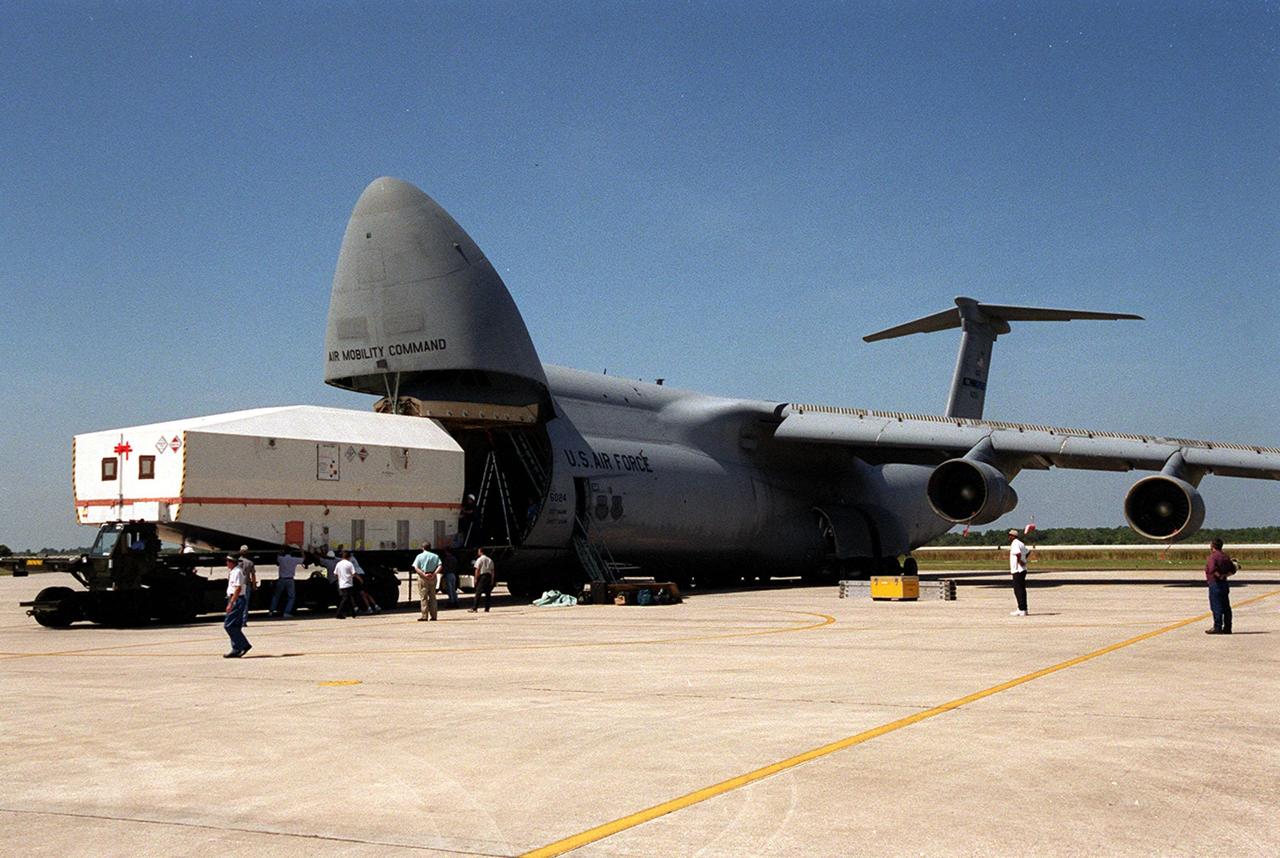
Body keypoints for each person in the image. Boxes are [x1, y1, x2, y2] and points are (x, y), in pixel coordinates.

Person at [1204, 538, 1236, 634]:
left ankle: (1217, 627)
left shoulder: (1213, 557)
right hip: (1224, 584)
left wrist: (1219, 576)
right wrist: (1225, 575)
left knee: (1216, 606)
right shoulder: (1225, 556)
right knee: (1226, 606)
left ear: (1213, 546)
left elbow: (1212, 569)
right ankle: (1228, 627)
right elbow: (1233, 569)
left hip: (1215, 583)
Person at [222, 555, 252, 657]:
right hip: (235, 598)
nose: (227, 563)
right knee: (234, 625)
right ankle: (236, 648)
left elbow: (238, 588)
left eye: (228, 561)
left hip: (236, 599)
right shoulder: (234, 571)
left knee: (229, 625)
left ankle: (243, 645)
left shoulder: (237, 572)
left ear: (233, 562)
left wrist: (231, 603)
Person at [271, 545, 304, 618]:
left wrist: (281, 547)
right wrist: (301, 549)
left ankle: (271, 611)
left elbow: (278, 555)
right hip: (290, 579)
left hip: (281, 579)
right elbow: (303, 559)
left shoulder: (281, 559)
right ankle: (287, 612)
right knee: (291, 597)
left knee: (276, 595)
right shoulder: (294, 559)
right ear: (291, 552)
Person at [413, 542, 441, 621]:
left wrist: (424, 575)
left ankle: (424, 616)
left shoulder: (419, 556)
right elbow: (440, 566)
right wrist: (434, 574)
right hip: (432, 577)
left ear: (422, 548)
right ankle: (434, 616)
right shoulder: (435, 556)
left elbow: (416, 568)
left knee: (424, 597)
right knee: (433, 597)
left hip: (423, 578)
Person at [1007, 529, 1030, 616]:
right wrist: (1024, 559)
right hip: (1022, 569)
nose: (1009, 537)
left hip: (1017, 570)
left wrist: (1020, 561)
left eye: (1010, 535)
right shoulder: (1021, 543)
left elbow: (1018, 553)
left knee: (1018, 590)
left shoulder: (1015, 543)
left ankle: (1021, 609)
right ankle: (1023, 608)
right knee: (1022, 589)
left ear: (1013, 536)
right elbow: (1028, 552)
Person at [334, 550, 359, 619]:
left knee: (348, 598)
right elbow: (354, 573)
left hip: (341, 584)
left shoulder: (338, 564)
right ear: (349, 557)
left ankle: (353, 613)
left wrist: (340, 578)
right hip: (348, 584)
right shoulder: (349, 564)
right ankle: (338, 613)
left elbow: (335, 574)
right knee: (345, 599)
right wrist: (359, 579)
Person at [470, 547, 495, 613]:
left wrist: (476, 578)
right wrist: (492, 579)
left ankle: (475, 608)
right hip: (488, 576)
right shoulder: (490, 560)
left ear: (481, 552)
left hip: (482, 577)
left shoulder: (480, 559)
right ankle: (487, 608)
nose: (478, 553)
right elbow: (492, 571)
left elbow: (477, 569)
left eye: (478, 551)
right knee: (488, 593)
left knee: (478, 592)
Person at [238, 545, 258, 625]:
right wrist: (254, 585)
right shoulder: (250, 562)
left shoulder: (237, 562)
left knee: (237, 602)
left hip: (238, 584)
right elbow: (253, 575)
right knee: (245, 603)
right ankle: (243, 620)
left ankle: (238, 619)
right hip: (246, 584)